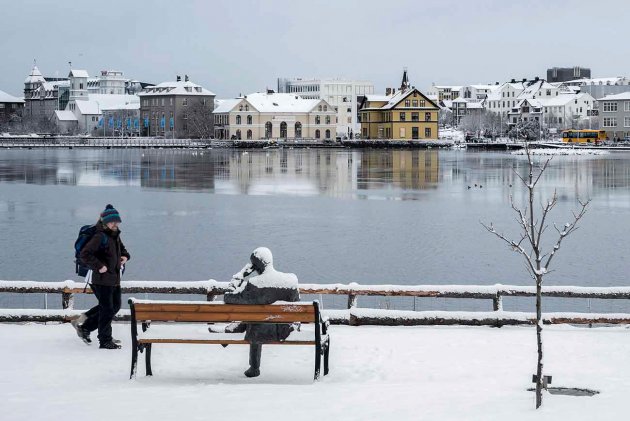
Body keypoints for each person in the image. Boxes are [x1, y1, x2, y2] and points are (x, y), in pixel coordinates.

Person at [222, 247, 300, 378]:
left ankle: (254, 367)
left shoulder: (254, 284)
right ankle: (233, 328)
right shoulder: (290, 281)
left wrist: (241, 275)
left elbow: (228, 297)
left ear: (256, 266)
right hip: (284, 330)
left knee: (255, 321)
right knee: (256, 319)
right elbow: (297, 304)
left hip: (258, 332)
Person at [71, 204, 130, 349]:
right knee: (107, 308)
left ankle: (85, 326)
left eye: (117, 222)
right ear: (105, 222)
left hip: (114, 277)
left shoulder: (114, 234)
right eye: (112, 222)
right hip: (101, 278)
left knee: (113, 306)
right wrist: (99, 266)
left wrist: (125, 256)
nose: (115, 224)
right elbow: (85, 254)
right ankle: (105, 340)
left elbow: (122, 250)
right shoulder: (99, 235)